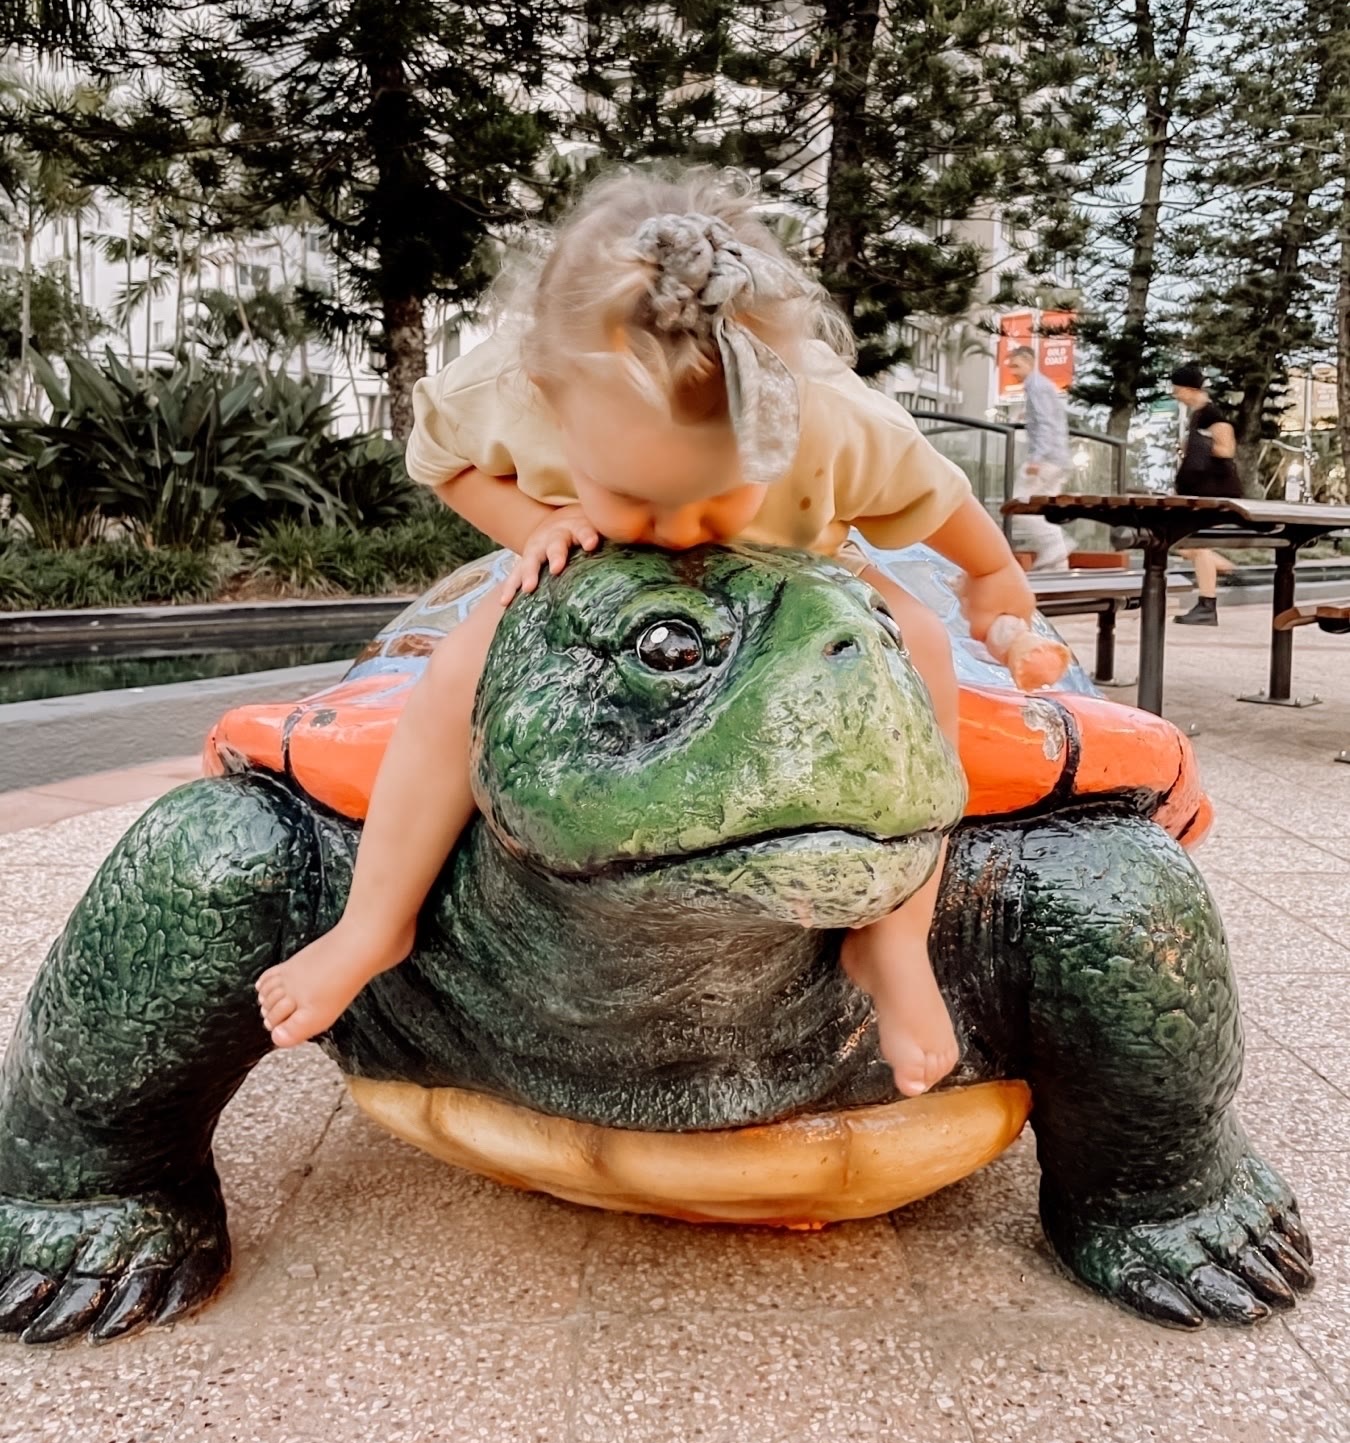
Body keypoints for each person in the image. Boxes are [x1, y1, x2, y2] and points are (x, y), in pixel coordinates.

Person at [256, 170, 1038, 1099]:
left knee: (922, 646)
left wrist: (997, 585)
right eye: (634, 494)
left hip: (805, 576)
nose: (675, 531)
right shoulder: (522, 384)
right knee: (462, 668)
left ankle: (895, 938)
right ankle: (374, 922)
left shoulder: (834, 419)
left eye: (714, 495)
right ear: (550, 405)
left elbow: (949, 510)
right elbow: (443, 462)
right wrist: (533, 523)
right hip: (592, 586)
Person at [1170, 362, 1243, 627]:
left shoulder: (1212, 415)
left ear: (1190, 388)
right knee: (1183, 544)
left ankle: (1207, 605)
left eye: (1178, 389)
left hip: (1216, 495)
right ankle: (1227, 570)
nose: (1176, 394)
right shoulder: (1198, 416)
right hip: (1202, 494)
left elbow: (1227, 449)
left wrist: (1200, 446)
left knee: (1197, 546)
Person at [1006, 344, 1072, 571]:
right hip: (1058, 457)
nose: (1013, 372)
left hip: (1047, 458)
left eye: (1016, 366)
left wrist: (1036, 458)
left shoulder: (1037, 387)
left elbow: (1046, 424)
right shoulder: (1042, 386)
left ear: (1029, 362)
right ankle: (1058, 567)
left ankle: (1056, 546)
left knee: (1020, 504)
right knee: (1044, 509)